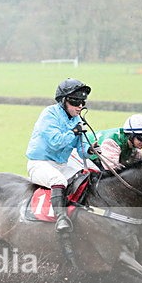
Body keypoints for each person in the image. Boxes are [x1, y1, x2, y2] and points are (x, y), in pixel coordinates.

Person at [26, 78, 97, 234]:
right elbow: (55, 142)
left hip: (62, 165)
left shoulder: (77, 119)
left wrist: (90, 150)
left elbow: (81, 148)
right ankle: (61, 218)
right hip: (40, 163)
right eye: (75, 102)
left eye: (82, 103)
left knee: (88, 177)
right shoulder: (49, 114)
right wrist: (74, 132)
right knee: (58, 181)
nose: (80, 106)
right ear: (64, 101)